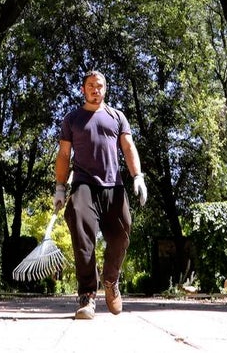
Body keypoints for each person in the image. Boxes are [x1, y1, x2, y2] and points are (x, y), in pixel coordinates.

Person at [53, 70, 147, 319]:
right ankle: (87, 295)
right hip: (83, 184)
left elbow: (128, 147)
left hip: (113, 185)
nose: (96, 89)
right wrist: (60, 187)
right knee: (81, 231)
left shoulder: (117, 117)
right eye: (91, 85)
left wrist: (138, 176)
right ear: (83, 89)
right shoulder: (72, 119)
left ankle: (110, 281)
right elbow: (64, 155)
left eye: (100, 86)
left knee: (122, 231)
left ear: (106, 89)